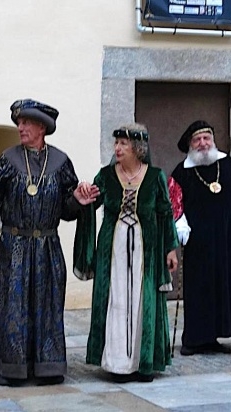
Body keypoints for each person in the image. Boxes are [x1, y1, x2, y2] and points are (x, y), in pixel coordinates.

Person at [0, 98, 96, 387]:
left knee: (48, 306)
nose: (20, 128)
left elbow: (66, 210)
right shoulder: (8, 160)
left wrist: (78, 200)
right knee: (12, 307)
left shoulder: (61, 162)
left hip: (47, 247)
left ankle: (48, 367)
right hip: (14, 247)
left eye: (26, 123)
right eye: (19, 123)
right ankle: (12, 369)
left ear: (41, 127)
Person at [74, 124, 179, 383]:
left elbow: (165, 213)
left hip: (147, 250)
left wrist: (170, 248)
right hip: (113, 248)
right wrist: (84, 196)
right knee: (117, 298)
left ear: (138, 148)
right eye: (116, 143)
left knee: (143, 300)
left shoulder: (155, 176)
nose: (117, 148)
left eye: (123, 144)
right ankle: (117, 363)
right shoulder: (106, 176)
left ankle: (143, 363)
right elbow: (90, 203)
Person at [170, 120, 231, 356]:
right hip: (199, 242)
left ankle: (214, 336)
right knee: (200, 287)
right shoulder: (182, 172)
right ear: (190, 144)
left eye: (206, 138)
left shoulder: (228, 165)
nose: (203, 143)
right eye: (197, 140)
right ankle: (194, 339)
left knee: (223, 286)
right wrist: (180, 222)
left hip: (226, 239)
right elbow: (173, 201)